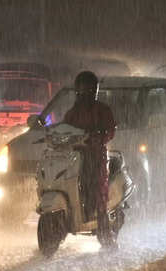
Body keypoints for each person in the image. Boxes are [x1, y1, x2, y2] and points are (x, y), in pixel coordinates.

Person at [63, 71, 117, 248]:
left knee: (99, 191)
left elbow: (110, 130)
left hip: (95, 156)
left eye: (88, 89)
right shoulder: (72, 113)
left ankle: (105, 234)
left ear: (94, 90)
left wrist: (98, 137)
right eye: (81, 89)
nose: (84, 92)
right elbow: (64, 130)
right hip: (75, 157)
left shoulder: (102, 110)